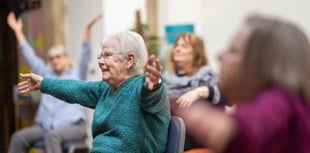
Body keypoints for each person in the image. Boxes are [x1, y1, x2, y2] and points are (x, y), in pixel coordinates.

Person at [17, 31, 171, 153]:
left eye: (107, 55)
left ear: (129, 60)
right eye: (100, 56)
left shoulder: (144, 86)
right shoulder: (105, 88)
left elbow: (151, 96)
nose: (100, 61)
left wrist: (154, 85)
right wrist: (44, 83)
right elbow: (75, 88)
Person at [177, 14, 310, 153]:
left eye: (232, 51)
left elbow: (258, 125)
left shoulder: (279, 99)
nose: (219, 55)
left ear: (260, 65)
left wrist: (223, 126)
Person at [7, 12, 102, 153]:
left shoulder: (77, 73)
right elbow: (30, 56)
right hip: (46, 126)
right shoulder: (46, 75)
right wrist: (17, 31)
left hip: (74, 127)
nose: (55, 60)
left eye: (58, 57)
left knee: (52, 136)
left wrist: (88, 28)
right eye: (52, 58)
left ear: (65, 58)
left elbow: (85, 52)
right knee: (18, 137)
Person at [163, 32, 222, 151]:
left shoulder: (206, 73)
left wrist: (198, 92)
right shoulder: (165, 76)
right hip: (168, 127)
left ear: (196, 52)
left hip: (194, 132)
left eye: (184, 46)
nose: (177, 49)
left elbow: (223, 95)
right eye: (177, 46)